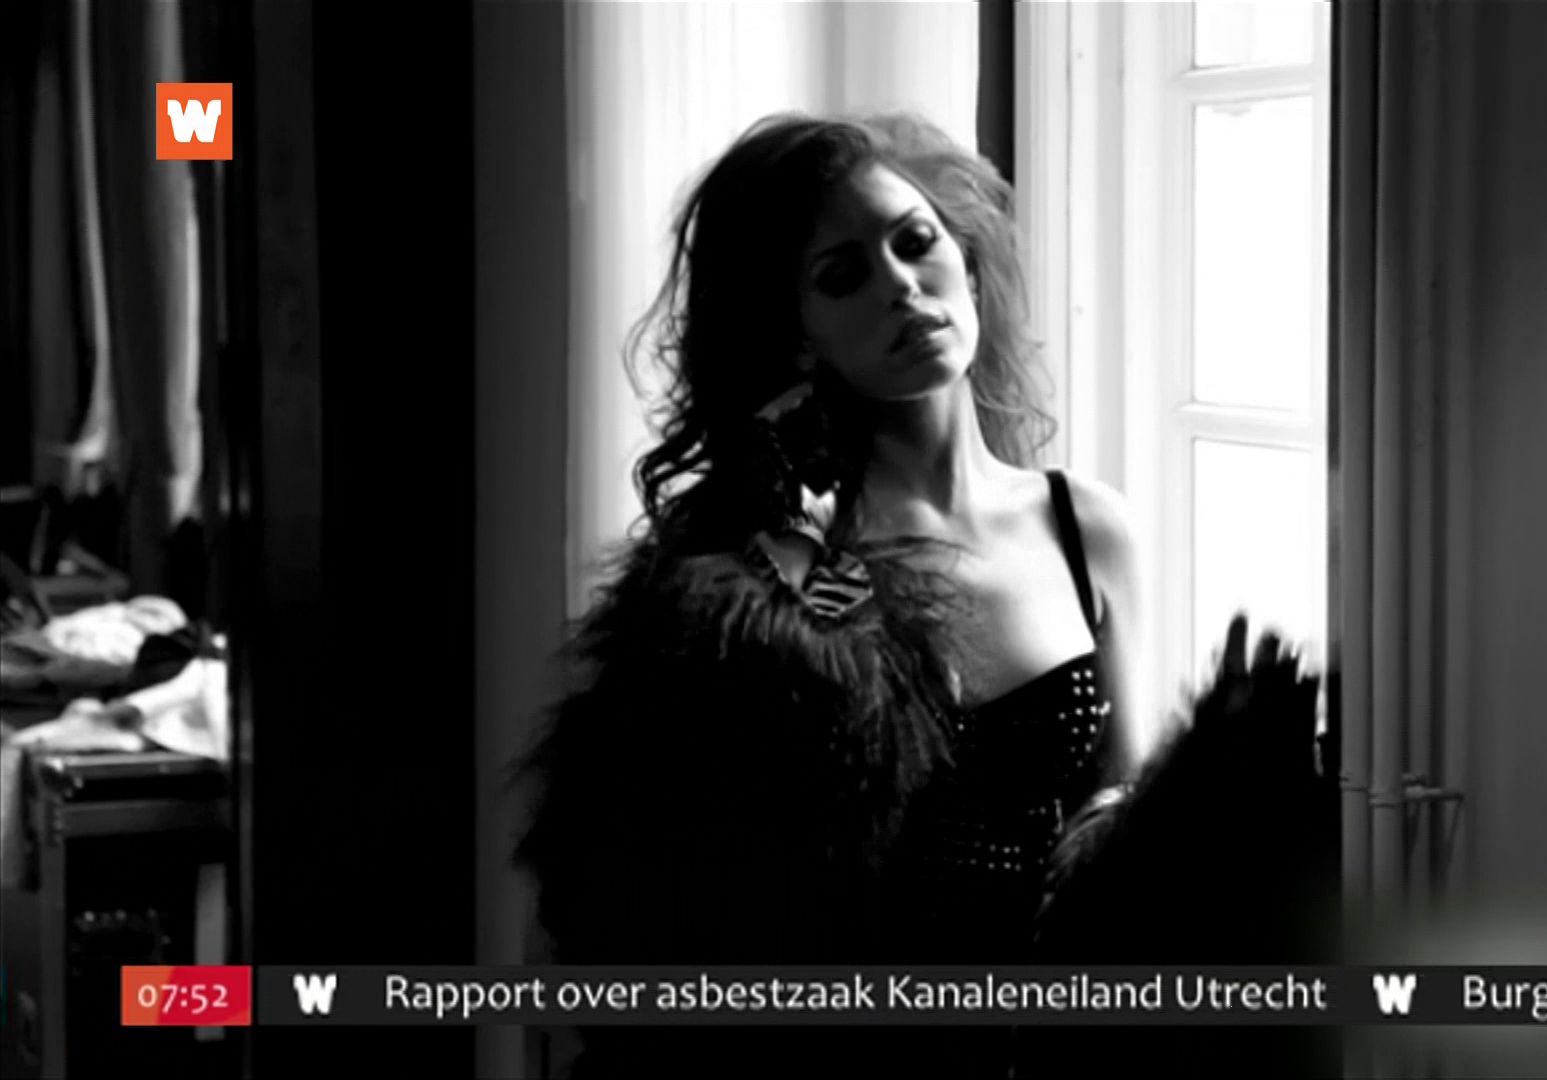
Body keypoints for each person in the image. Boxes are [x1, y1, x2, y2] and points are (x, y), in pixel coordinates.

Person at [515, 112, 1339, 1079]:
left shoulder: (1086, 530)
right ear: (799, 338)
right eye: (843, 276)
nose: (902, 286)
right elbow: (638, 899)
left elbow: (1110, 853)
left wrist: (1209, 778)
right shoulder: (762, 583)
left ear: (968, 264)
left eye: (915, 243)